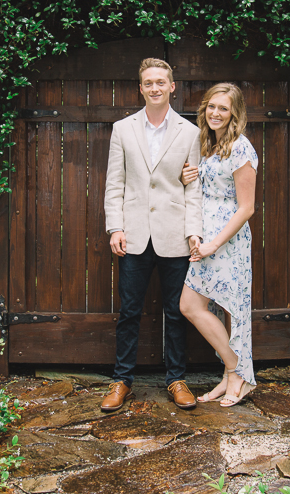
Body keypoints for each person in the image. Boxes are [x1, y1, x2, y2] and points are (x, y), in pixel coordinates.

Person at [101, 58, 203, 412]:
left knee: (176, 312)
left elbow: (193, 188)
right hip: (134, 235)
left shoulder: (190, 133)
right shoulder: (122, 129)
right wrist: (116, 226)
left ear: (172, 86)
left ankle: (176, 379)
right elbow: (115, 183)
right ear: (141, 88)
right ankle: (122, 381)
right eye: (149, 82)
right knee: (129, 311)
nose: (155, 87)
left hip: (175, 235)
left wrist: (194, 231)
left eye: (161, 82)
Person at [179, 82, 258, 407]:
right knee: (194, 306)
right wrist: (188, 179)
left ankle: (237, 373)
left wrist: (213, 244)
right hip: (204, 236)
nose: (215, 113)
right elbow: (203, 188)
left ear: (234, 113)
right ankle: (232, 374)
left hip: (227, 240)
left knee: (204, 306)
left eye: (223, 108)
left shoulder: (241, 148)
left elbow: (246, 207)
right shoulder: (207, 144)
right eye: (211, 106)